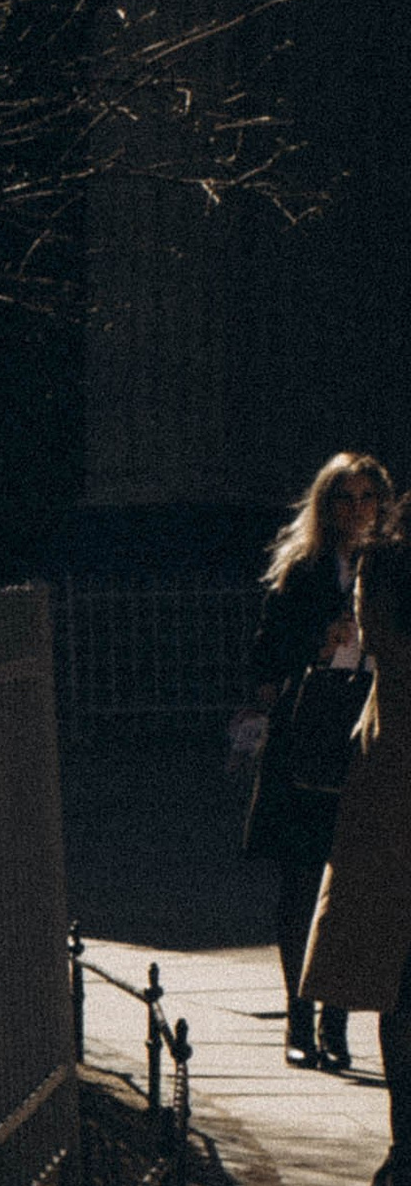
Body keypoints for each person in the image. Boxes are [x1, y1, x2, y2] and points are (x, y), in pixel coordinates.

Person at [238, 450, 389, 1067]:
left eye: (367, 499)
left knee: (351, 887)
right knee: (302, 883)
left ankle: (336, 1022)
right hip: (307, 740)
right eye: (345, 499)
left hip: (368, 740)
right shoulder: (303, 572)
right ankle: (299, 1022)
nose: (357, 511)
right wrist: (317, 642)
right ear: (327, 507)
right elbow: (264, 658)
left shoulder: (392, 568)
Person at [300, 503, 411, 1186]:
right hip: (395, 788)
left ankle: (406, 1150)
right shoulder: (388, 567)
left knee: (399, 980)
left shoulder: (384, 566)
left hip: (392, 789)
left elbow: (384, 651)